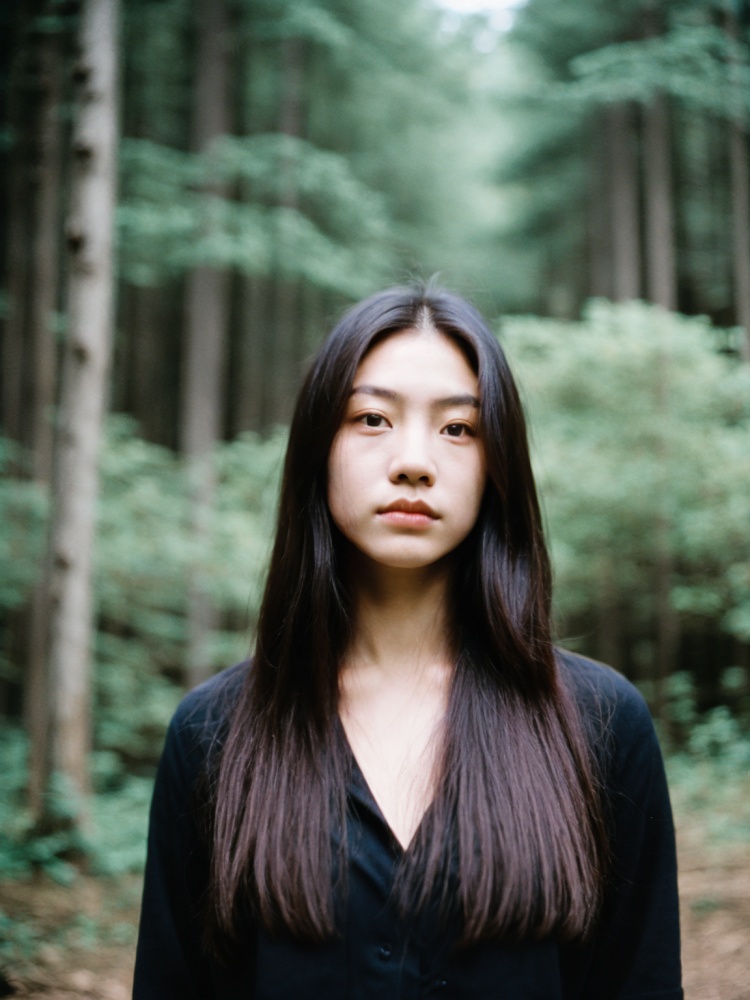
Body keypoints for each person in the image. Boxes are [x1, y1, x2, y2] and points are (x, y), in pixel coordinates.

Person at [133, 285, 683, 999]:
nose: (413, 461)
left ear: (498, 466)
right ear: (317, 451)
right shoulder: (214, 734)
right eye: (371, 419)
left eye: (458, 429)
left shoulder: (601, 726)